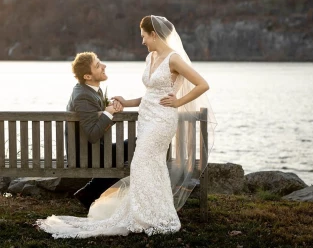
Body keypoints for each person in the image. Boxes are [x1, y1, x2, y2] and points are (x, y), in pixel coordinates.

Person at [36, 15, 216, 238]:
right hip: (147, 118)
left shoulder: (174, 59)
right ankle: (149, 211)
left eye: (144, 36)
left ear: (154, 34)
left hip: (162, 121)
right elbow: (151, 94)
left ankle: (151, 214)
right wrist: (128, 102)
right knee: (150, 166)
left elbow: (202, 85)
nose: (142, 42)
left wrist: (178, 102)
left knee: (141, 163)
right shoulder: (151, 57)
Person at [65, 52, 127, 210]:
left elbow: (96, 123)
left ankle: (88, 193)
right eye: (98, 65)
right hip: (85, 155)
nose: (104, 66)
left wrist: (111, 109)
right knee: (134, 144)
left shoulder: (91, 91)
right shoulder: (83, 96)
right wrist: (108, 113)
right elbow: (93, 135)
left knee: (131, 145)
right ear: (87, 76)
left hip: (92, 150)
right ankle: (89, 193)